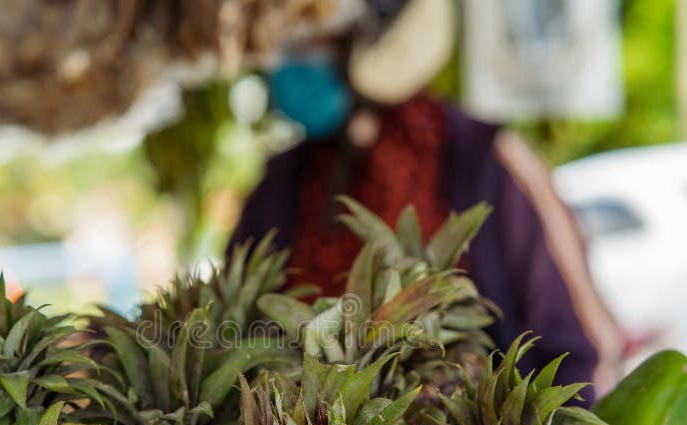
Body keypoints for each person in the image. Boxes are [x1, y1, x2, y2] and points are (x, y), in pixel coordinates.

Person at [230, 0, 622, 403]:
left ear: (380, 37)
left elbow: (582, 346)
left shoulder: (484, 159)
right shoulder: (281, 181)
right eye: (288, 41)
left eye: (312, 38)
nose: (287, 56)